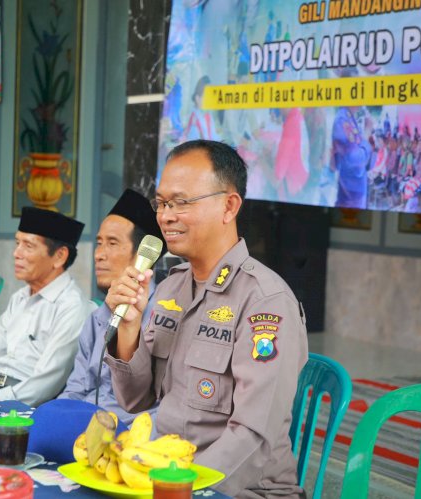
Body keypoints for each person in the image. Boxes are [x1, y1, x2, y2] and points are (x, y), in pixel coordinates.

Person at [104, 140, 308, 498]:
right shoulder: (170, 289)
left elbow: (253, 436)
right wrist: (129, 329)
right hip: (168, 474)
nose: (166, 216)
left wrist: (184, 488)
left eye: (181, 202)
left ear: (229, 206)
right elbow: (134, 400)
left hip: (239, 489)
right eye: (163, 203)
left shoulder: (265, 302)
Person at [0, 207, 95, 406]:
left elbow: (47, 382)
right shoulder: (20, 297)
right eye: (17, 243)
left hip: (24, 404)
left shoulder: (72, 307)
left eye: (28, 246)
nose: (17, 253)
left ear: (59, 256)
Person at [59, 189, 166, 425]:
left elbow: (162, 407)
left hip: (129, 435)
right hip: (84, 426)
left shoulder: (164, 318)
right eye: (99, 243)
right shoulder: (97, 318)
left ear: (143, 256)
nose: (98, 255)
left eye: (112, 243)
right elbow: (76, 389)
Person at [331, 106, 373, 209]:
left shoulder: (348, 117)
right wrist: (367, 132)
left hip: (353, 190)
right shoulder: (343, 120)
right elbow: (354, 159)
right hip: (351, 193)